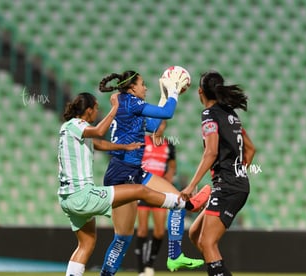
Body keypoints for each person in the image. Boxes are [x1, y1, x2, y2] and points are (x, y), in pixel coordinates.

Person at [58, 92, 211, 276]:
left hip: (68, 198)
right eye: (97, 108)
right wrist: (114, 107)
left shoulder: (67, 129)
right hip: (83, 195)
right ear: (88, 110)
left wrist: (123, 147)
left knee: (86, 243)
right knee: (140, 191)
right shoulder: (78, 124)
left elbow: (98, 143)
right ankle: (184, 203)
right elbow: (99, 131)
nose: (98, 111)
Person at [98, 70, 210, 276]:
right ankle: (106, 274)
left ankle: (175, 256)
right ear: (132, 88)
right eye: (142, 84)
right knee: (123, 237)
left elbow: (155, 125)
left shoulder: (129, 104)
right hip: (121, 174)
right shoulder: (130, 102)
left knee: (178, 200)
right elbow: (167, 114)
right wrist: (174, 92)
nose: (145, 87)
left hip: (135, 172)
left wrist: (163, 97)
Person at [180, 71, 256, 276]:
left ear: (200, 92)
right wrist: (238, 173)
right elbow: (250, 149)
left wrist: (190, 185)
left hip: (228, 187)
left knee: (207, 241)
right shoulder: (231, 114)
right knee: (196, 235)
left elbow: (211, 152)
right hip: (233, 185)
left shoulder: (209, 114)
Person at [134, 120, 176, 276]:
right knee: (142, 229)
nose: (159, 128)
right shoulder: (142, 142)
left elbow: (172, 165)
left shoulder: (169, 145)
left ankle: (150, 263)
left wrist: (168, 178)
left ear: (165, 126)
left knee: (159, 231)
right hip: (143, 189)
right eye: (157, 124)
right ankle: (141, 269)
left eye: (162, 124)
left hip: (160, 192)